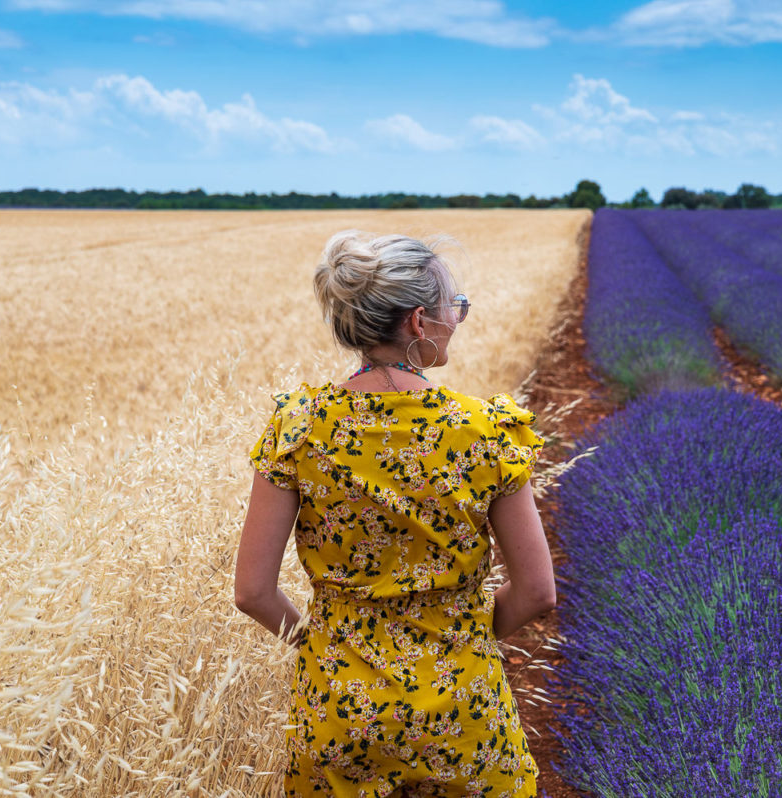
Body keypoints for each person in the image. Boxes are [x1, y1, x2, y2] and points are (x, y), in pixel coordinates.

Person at [234, 230, 556, 797]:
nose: (458, 318)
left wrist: (327, 648)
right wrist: (466, 642)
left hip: (339, 709)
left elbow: (253, 592)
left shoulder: (300, 429)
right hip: (463, 709)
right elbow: (536, 593)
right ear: (417, 322)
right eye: (454, 307)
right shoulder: (484, 434)